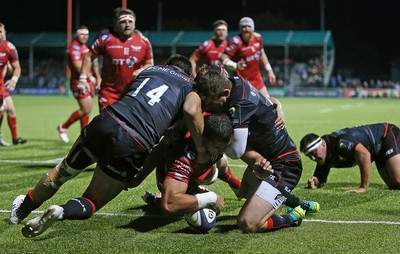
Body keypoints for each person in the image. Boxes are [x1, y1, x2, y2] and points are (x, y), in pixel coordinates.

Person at [9, 55, 230, 238]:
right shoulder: (189, 87)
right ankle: (61, 211)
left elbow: (131, 86)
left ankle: (23, 208)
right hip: (134, 140)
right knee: (92, 200)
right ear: (189, 74)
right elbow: (189, 113)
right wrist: (201, 149)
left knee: (61, 172)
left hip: (107, 121)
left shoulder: (150, 70)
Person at [195, 66, 319, 233]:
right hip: (268, 159)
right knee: (245, 190)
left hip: (284, 166)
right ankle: (299, 203)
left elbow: (235, 152)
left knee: (247, 223)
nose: (207, 106)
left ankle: (292, 218)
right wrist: (278, 106)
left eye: (210, 102)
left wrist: (211, 142)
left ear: (225, 92)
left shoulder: (240, 103)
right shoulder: (236, 83)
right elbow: (269, 100)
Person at [140, 113, 234, 216]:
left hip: (197, 170)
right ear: (204, 139)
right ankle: (158, 199)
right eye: (218, 147)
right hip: (169, 178)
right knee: (178, 206)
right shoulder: (186, 157)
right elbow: (169, 204)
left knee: (222, 161)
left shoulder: (212, 125)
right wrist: (211, 198)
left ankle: (232, 184)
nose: (222, 151)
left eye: (226, 146)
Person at [78, 7, 154, 110]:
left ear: (135, 24)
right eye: (123, 22)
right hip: (109, 93)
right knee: (107, 124)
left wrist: (142, 70)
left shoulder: (144, 42)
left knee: (128, 125)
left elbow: (149, 64)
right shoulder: (105, 40)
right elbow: (88, 56)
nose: (127, 25)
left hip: (132, 93)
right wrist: (82, 79)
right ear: (116, 24)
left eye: (130, 21)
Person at [300, 122, 400, 193]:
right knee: (394, 185)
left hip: (387, 134)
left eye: (313, 153)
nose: (313, 158)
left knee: (398, 180)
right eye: (309, 156)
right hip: (377, 151)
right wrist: (316, 183)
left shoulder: (340, 142)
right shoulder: (323, 158)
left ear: (323, 144)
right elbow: (320, 179)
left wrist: (363, 187)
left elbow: (365, 155)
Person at [57, 26, 99, 143]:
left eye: (86, 34)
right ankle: (63, 127)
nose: (84, 36)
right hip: (78, 82)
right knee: (85, 109)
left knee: (87, 110)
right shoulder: (74, 47)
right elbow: (77, 66)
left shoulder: (84, 47)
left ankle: (84, 135)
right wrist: (90, 76)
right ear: (77, 35)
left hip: (87, 81)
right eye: (82, 34)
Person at [220, 17, 276, 97]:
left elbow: (261, 54)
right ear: (240, 29)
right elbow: (223, 57)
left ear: (253, 28)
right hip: (242, 83)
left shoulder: (258, 38)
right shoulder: (235, 41)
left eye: (248, 26)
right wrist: (235, 65)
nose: (246, 29)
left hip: (257, 80)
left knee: (268, 105)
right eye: (243, 26)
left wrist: (269, 70)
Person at [0, 21, 27, 146]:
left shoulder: (9, 48)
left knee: (10, 109)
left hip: (1, 85)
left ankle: (15, 138)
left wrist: (14, 79)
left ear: (4, 32)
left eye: (1, 31)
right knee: (3, 107)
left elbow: (17, 68)